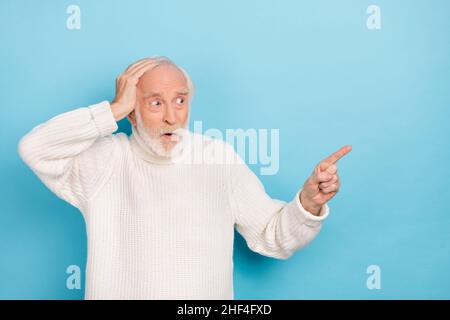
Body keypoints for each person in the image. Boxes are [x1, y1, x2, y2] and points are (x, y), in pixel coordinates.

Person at [18, 56, 352, 299]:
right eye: (155, 103)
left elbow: (273, 235)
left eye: (180, 100)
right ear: (132, 111)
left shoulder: (217, 158)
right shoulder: (106, 159)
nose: (171, 116)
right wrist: (112, 110)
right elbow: (35, 148)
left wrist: (309, 202)